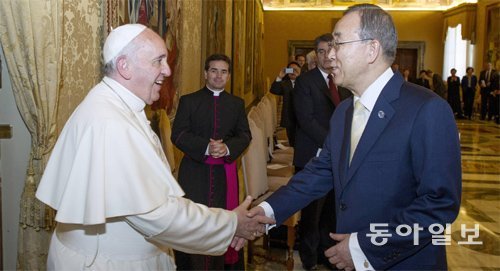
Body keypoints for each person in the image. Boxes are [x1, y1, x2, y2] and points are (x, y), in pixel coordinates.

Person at [35, 24, 273, 270]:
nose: (168, 70)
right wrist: (231, 224)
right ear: (124, 66)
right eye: (158, 61)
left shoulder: (120, 107)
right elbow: (156, 214)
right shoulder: (110, 122)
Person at [248, 4, 461, 270]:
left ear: (371, 49)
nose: (329, 56)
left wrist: (365, 247)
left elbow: (439, 205)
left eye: (338, 44)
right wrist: (267, 211)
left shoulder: (427, 110)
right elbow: (320, 172)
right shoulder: (345, 112)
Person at [171, 53, 252, 270]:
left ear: (228, 76)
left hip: (224, 175)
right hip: (194, 174)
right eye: (214, 70)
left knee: (222, 223)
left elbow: (245, 135)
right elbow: (177, 134)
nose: (218, 76)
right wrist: (206, 147)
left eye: (223, 71)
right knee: (194, 225)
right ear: (206, 73)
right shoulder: (189, 101)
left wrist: (226, 148)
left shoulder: (236, 104)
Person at [293, 33, 351, 270]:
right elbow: (306, 120)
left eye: (331, 50)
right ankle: (308, 259)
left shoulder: (343, 81)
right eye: (321, 51)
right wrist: (333, 144)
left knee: (331, 212)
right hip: (313, 157)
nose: (327, 56)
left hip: (338, 158)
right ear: (315, 55)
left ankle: (327, 256)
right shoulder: (306, 82)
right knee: (311, 214)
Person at [269, 61, 301, 146]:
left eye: (295, 70)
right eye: (290, 70)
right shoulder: (285, 83)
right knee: (292, 142)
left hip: (302, 118)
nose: (293, 72)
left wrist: (299, 77)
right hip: (289, 118)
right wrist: (280, 76)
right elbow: (274, 90)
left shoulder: (304, 82)